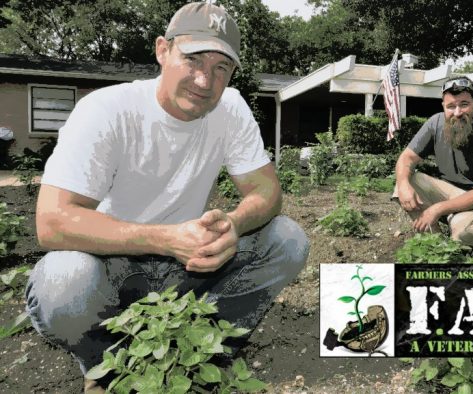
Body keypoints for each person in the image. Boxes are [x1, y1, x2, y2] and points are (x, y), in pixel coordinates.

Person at [24, 2, 309, 392]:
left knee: (287, 239)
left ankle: (205, 353)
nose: (205, 81)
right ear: (162, 50)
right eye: (193, 59)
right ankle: (105, 368)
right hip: (110, 270)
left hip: (188, 269)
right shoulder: (107, 110)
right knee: (64, 280)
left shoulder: (231, 109)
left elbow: (266, 191)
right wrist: (166, 238)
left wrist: (233, 223)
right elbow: (52, 222)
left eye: (220, 68)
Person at [393, 76, 473, 248]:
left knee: (468, 232)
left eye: (464, 104)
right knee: (405, 182)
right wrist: (404, 184)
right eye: (451, 106)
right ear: (443, 106)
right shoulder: (435, 123)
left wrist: (438, 209)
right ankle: (436, 246)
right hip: (452, 194)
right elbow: (407, 158)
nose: (457, 112)